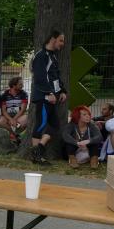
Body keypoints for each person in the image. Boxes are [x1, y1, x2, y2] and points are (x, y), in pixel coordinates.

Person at [30, 30, 67, 165]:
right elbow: (40, 77)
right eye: (61, 40)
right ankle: (36, 156)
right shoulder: (41, 56)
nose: (62, 44)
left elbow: (55, 76)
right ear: (52, 39)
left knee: (55, 125)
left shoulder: (53, 56)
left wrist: (62, 91)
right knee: (41, 124)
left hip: (52, 97)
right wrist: (49, 93)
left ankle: (38, 149)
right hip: (44, 97)